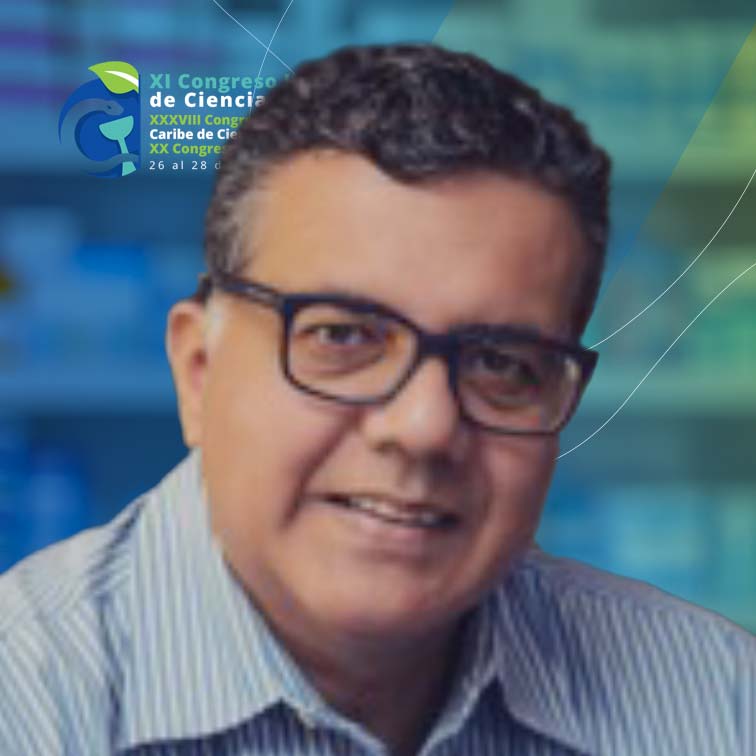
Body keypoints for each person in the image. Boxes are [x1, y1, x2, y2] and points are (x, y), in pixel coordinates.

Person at [0, 43, 753, 756]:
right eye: (343, 336)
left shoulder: (715, 702)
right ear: (199, 371)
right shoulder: (27, 699)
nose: (423, 427)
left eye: (501, 363)